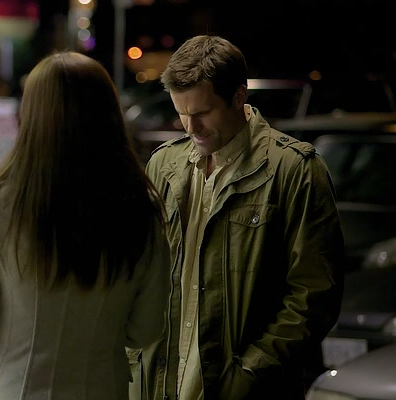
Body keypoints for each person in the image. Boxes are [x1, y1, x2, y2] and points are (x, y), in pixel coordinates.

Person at [0, 52, 171, 400]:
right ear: (110, 116)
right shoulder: (142, 210)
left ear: (31, 117)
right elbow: (145, 329)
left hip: (9, 388)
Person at [131, 35, 345, 400]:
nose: (190, 127)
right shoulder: (163, 164)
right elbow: (140, 272)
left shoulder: (294, 170)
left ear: (238, 97)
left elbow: (313, 297)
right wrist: (134, 361)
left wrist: (248, 376)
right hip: (160, 385)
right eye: (181, 113)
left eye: (202, 113)